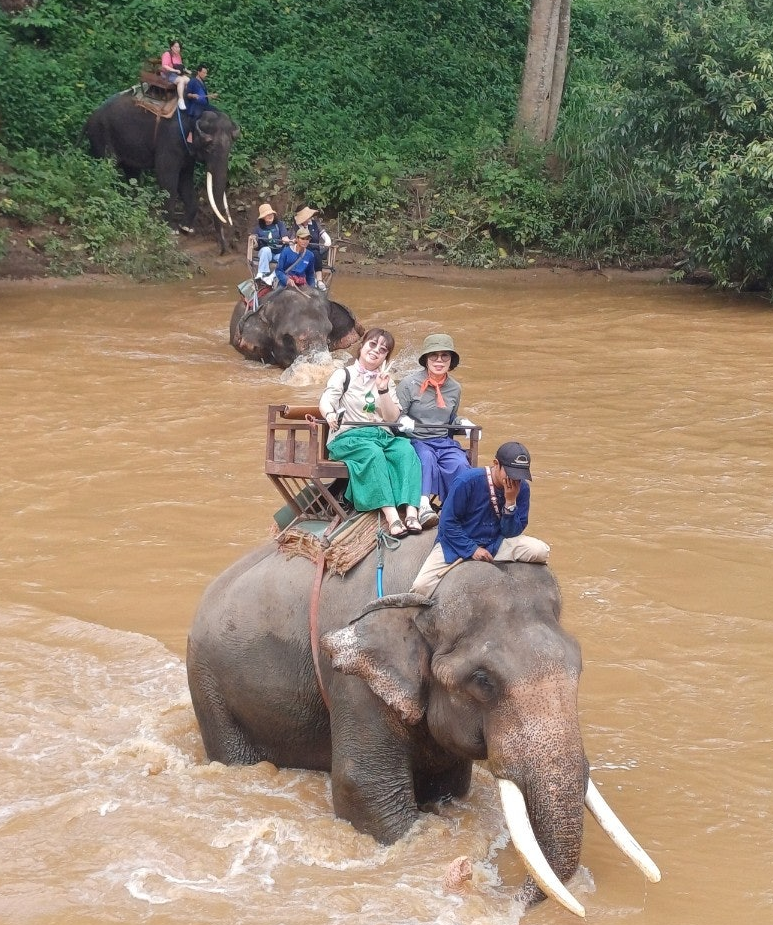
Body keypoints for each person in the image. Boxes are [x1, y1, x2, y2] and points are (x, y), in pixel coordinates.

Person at [409, 441, 550, 596]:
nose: (514, 481)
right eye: (510, 474)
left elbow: (512, 533)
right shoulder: (466, 481)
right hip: (457, 543)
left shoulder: (521, 489)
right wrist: (472, 549)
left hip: (495, 543)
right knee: (420, 587)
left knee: (540, 550)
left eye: (519, 476)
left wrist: (510, 503)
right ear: (496, 464)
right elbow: (447, 524)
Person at [319, 329, 423, 537]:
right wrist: (330, 413)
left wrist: (382, 389)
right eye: (372, 345)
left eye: (383, 350)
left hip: (381, 436)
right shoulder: (344, 374)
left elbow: (392, 418)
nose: (376, 351)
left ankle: (412, 511)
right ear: (362, 346)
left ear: (386, 357)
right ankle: (391, 515)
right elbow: (327, 399)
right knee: (372, 453)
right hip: (350, 438)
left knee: (405, 449)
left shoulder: (387, 380)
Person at [396, 333, 475, 529]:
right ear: (425, 359)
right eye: (434, 356)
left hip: (443, 441)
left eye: (444, 356)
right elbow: (395, 416)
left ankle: (457, 510)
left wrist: (463, 422)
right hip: (416, 439)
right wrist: (403, 420)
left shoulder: (455, 388)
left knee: (459, 463)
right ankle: (423, 506)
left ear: (451, 360)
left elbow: (450, 419)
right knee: (426, 457)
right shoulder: (408, 384)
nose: (439, 361)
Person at [293, 206, 332, 291]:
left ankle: (319, 280)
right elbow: (292, 237)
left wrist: (327, 241)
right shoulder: (296, 225)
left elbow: (324, 235)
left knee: (315, 254)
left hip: (314, 250)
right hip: (301, 249)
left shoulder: (314, 223)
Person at [251, 202, 290, 286]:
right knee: (266, 249)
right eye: (267, 214)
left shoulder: (279, 224)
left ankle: (272, 276)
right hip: (265, 253)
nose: (270, 216)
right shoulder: (258, 228)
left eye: (271, 214)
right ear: (263, 217)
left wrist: (286, 239)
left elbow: (284, 236)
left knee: (284, 258)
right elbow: (255, 245)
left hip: (278, 252)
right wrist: (254, 242)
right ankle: (262, 273)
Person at [160, 40, 189, 110]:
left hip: (175, 73)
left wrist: (186, 70)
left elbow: (180, 65)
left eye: (178, 47)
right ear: (171, 47)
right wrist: (174, 70)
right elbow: (165, 66)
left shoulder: (178, 55)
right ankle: (181, 100)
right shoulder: (167, 54)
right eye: (175, 47)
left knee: (188, 80)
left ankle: (187, 96)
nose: (177, 49)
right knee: (181, 80)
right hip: (167, 74)